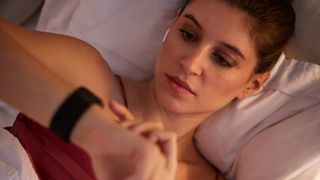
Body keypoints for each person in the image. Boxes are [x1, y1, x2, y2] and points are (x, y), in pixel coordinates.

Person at [0, 0, 295, 179]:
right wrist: (91, 129)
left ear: (253, 84)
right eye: (188, 34)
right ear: (173, 24)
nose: (191, 63)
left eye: (222, 59)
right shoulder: (87, 75)